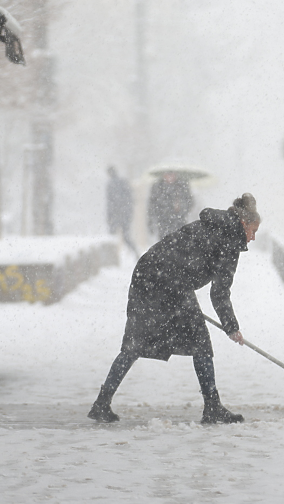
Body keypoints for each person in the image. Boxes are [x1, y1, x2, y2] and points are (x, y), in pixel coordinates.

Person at [88, 193, 261, 425]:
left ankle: (102, 402)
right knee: (201, 344)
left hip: (147, 273)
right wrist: (232, 327)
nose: (253, 238)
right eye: (253, 231)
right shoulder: (229, 239)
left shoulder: (214, 224)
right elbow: (219, 292)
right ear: (243, 224)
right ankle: (212, 408)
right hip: (169, 282)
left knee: (135, 343)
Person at [147, 172, 194, 239]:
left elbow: (189, 201)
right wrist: (151, 221)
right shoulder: (157, 186)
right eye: (168, 174)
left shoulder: (182, 185)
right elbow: (152, 205)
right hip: (163, 221)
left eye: (172, 174)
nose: (170, 177)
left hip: (179, 220)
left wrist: (181, 207)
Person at [106, 166, 137, 256]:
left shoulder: (110, 184)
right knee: (126, 236)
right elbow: (130, 198)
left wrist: (109, 216)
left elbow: (110, 202)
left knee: (111, 236)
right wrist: (129, 212)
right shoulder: (123, 182)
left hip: (116, 214)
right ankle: (136, 254)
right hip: (124, 214)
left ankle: (111, 256)